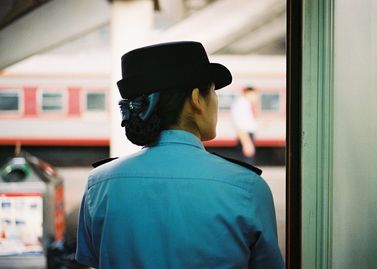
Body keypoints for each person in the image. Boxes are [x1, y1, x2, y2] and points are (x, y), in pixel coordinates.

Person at [75, 41, 284, 269]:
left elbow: (93, 261)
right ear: (196, 99)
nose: (215, 101)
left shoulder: (99, 184)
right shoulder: (248, 188)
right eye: (213, 92)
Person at [231, 86, 258, 164]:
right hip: (245, 135)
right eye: (254, 94)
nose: (256, 97)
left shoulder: (245, 104)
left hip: (246, 135)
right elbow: (240, 125)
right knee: (246, 163)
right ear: (248, 93)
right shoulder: (241, 104)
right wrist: (247, 143)